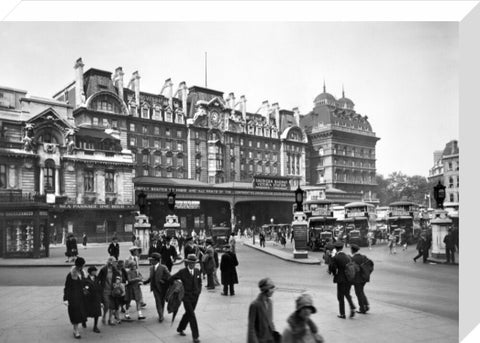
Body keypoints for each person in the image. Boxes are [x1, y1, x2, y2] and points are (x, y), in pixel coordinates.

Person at [169, 254, 202, 343]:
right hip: (186, 297)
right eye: (191, 263)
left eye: (194, 263)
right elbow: (171, 279)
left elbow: (199, 282)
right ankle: (195, 336)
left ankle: (180, 328)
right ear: (187, 262)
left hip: (195, 297)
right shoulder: (182, 272)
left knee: (188, 313)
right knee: (192, 315)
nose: (193, 264)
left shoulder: (197, 271)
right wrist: (177, 285)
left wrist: (199, 291)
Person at [328, 241, 356, 319]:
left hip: (340, 279)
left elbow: (333, 268)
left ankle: (342, 314)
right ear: (342, 248)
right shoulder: (348, 256)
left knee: (340, 297)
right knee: (347, 294)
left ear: (336, 249)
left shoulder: (336, 257)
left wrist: (334, 273)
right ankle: (352, 306)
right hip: (349, 278)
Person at [248, 277, 280, 343]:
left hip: (270, 338)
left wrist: (275, 334)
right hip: (260, 340)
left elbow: (270, 321)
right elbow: (251, 328)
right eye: (271, 288)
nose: (273, 290)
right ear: (266, 290)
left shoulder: (270, 302)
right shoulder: (255, 305)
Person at [63, 257, 87, 339]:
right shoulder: (71, 275)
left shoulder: (83, 273)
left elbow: (85, 283)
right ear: (80, 265)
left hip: (81, 296)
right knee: (75, 314)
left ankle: (78, 327)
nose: (84, 266)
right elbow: (67, 287)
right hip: (73, 297)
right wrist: (65, 298)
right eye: (83, 265)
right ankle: (75, 330)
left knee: (80, 313)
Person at [143, 252, 171, 322]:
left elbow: (169, 276)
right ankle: (160, 315)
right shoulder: (151, 268)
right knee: (158, 301)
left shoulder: (163, 267)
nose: (150, 261)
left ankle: (161, 313)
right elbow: (151, 278)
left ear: (156, 260)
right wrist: (144, 282)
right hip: (155, 287)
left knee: (162, 301)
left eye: (152, 260)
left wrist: (163, 280)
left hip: (163, 288)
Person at [98, 256, 121, 325]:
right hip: (105, 290)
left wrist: (116, 288)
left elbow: (118, 280)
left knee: (112, 305)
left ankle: (110, 319)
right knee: (107, 305)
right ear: (110, 262)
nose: (116, 263)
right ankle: (104, 316)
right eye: (114, 262)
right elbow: (98, 279)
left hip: (112, 290)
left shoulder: (115, 270)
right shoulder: (103, 270)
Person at [350, 244, 370, 314]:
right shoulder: (363, 257)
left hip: (357, 279)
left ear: (352, 250)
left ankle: (362, 308)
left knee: (358, 293)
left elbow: (352, 270)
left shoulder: (353, 258)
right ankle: (366, 305)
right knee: (361, 291)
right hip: (364, 278)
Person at [84, 266, 102, 333]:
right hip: (89, 299)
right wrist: (86, 293)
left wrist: (100, 297)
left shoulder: (97, 278)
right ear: (90, 272)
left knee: (97, 313)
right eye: (94, 271)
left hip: (96, 298)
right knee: (86, 311)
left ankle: (95, 326)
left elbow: (100, 287)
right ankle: (84, 321)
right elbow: (85, 289)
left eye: (96, 271)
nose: (95, 272)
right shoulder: (85, 279)